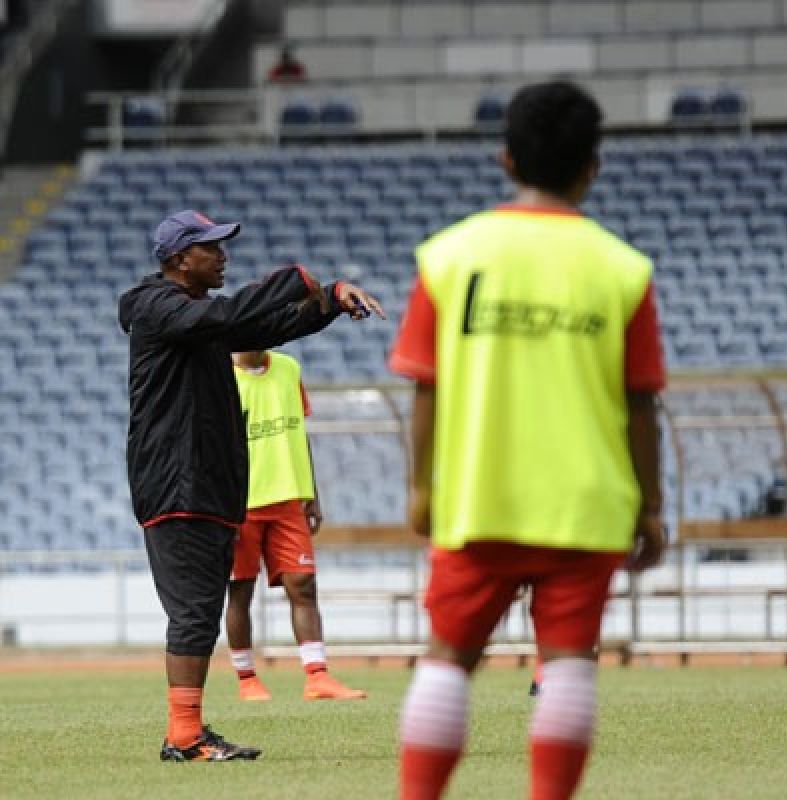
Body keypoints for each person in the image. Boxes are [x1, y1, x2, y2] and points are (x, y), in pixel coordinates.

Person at [389, 80, 667, 800]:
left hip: (481, 495)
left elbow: (427, 387)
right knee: (570, 664)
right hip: (586, 504)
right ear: (591, 167)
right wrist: (650, 504)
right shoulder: (623, 270)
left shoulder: (450, 256)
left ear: (506, 159)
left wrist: (420, 488)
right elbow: (642, 405)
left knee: (448, 659)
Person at [118, 210, 384, 761]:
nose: (223, 256)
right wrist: (298, 278)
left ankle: (188, 732)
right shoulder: (155, 306)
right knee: (193, 613)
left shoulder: (198, 318)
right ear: (177, 259)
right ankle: (184, 736)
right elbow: (236, 311)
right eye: (211, 248)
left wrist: (330, 299)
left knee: (201, 612)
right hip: (176, 482)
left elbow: (264, 328)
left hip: (208, 484)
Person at [225, 349, 366, 702]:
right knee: (239, 591)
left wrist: (312, 493)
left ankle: (318, 676)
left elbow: (298, 432)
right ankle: (247, 680)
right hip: (241, 504)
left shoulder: (289, 368)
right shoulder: (220, 375)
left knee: (303, 585)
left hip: (289, 498)